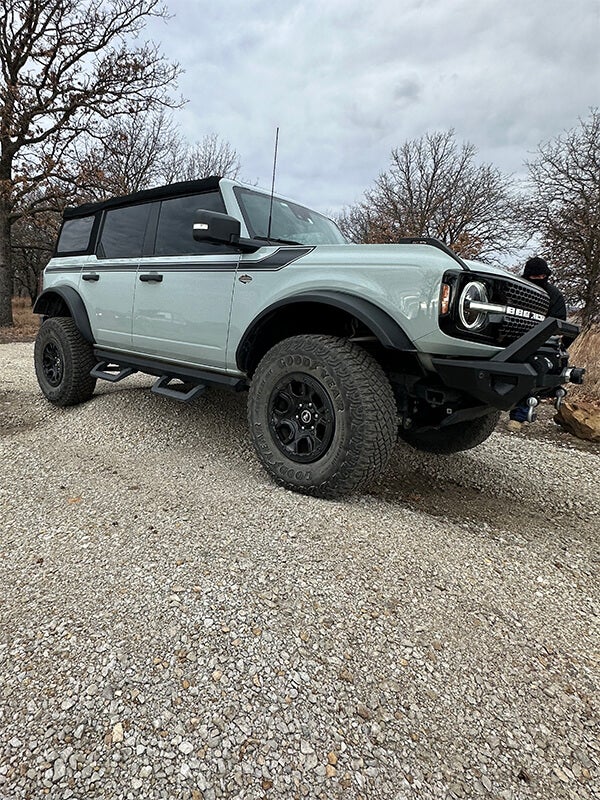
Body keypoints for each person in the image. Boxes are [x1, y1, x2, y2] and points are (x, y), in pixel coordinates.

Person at [507, 256, 567, 431]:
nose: (540, 280)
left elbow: (559, 322)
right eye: (535, 278)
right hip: (514, 338)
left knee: (533, 373)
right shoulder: (517, 289)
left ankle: (519, 416)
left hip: (543, 343)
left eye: (542, 277)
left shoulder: (554, 295)